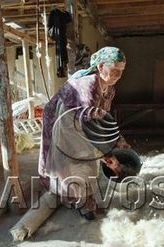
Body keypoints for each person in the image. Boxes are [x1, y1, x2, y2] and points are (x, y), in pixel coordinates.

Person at [38, 46, 129, 220]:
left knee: (89, 159)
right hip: (65, 117)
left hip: (83, 120)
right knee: (76, 160)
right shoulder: (88, 84)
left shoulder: (110, 89)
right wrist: (108, 155)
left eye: (121, 71)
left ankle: (85, 199)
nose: (118, 75)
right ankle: (80, 202)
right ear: (101, 66)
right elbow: (89, 126)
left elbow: (102, 118)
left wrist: (118, 139)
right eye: (114, 70)